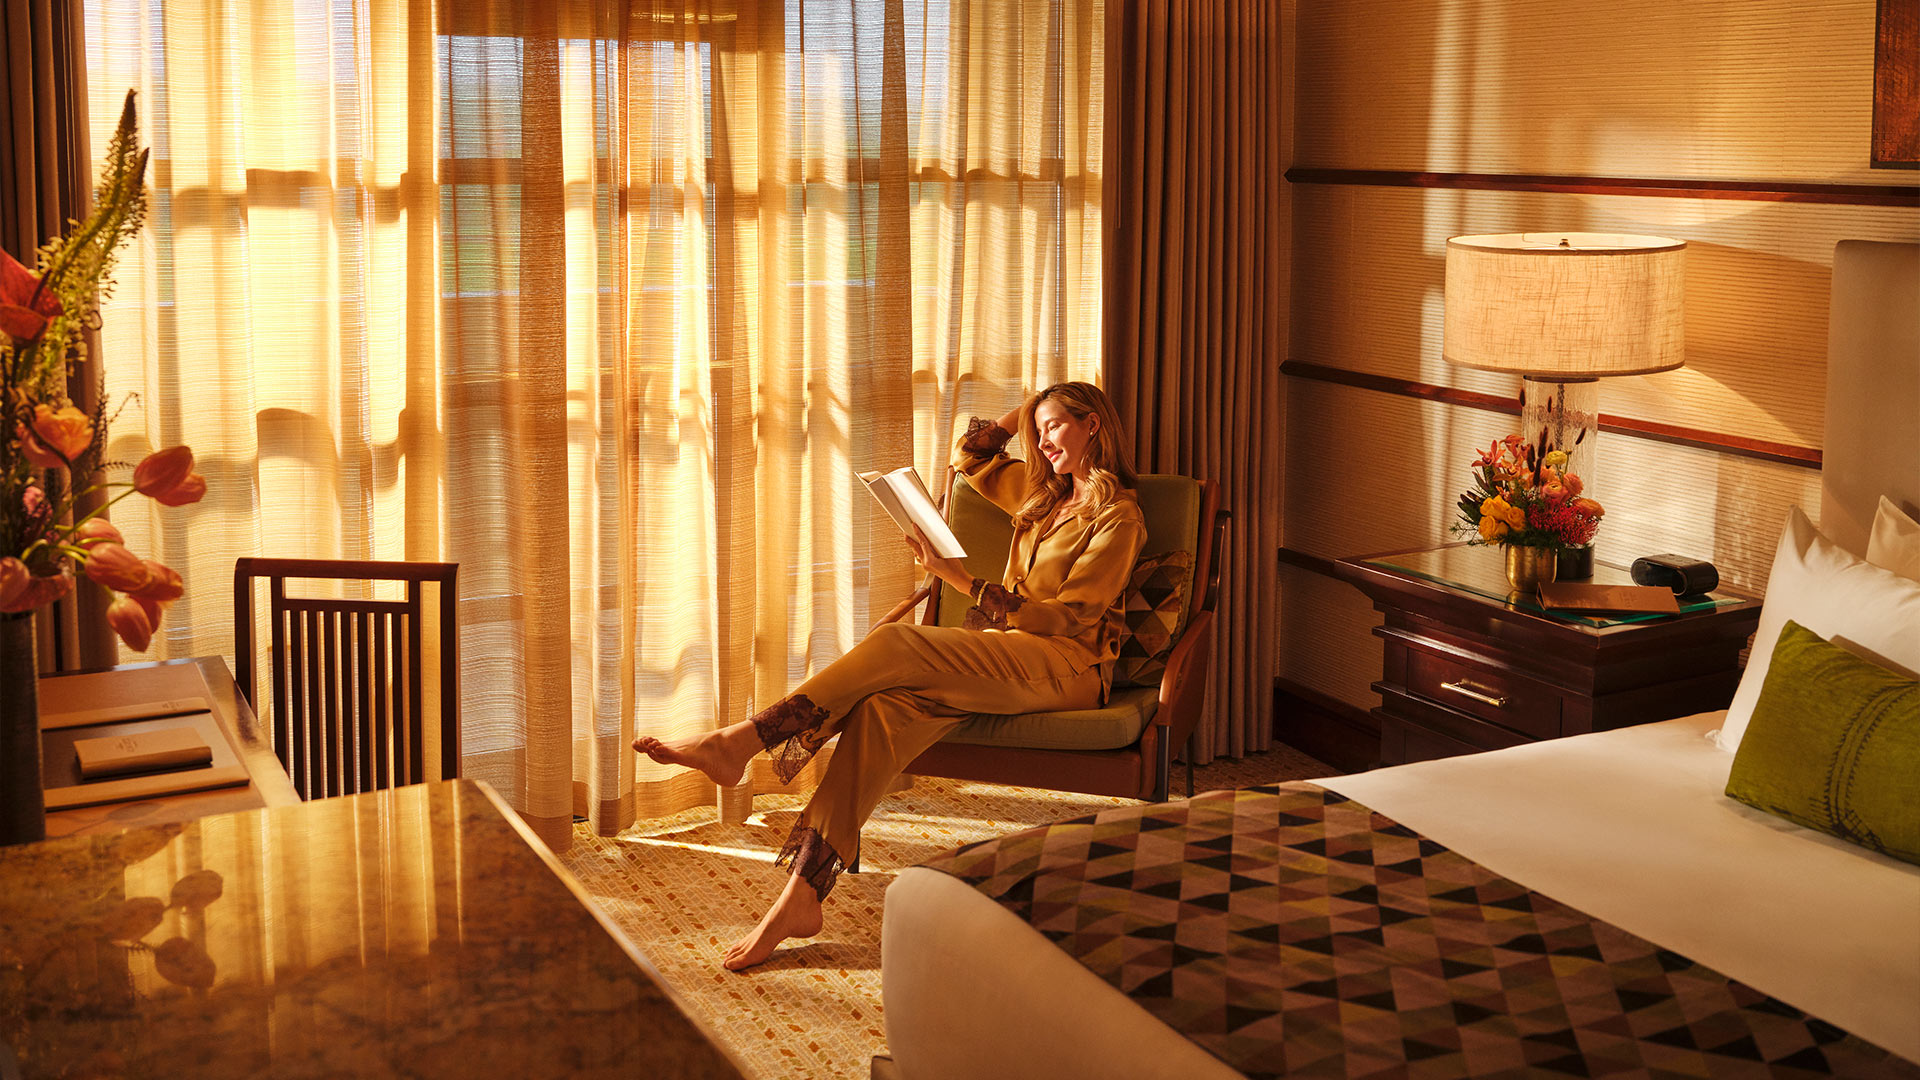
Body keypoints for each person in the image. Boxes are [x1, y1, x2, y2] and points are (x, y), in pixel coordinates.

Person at [633, 380, 1146, 970]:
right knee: (880, 712)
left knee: (898, 640)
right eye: (1038, 429)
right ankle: (800, 898)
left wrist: (955, 579)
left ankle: (742, 741)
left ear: (1093, 426)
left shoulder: (1119, 517)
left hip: (1066, 664)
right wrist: (1032, 404)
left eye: (1055, 426)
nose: (1042, 441)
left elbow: (1063, 619)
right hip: (1006, 653)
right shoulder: (1041, 494)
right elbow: (972, 455)